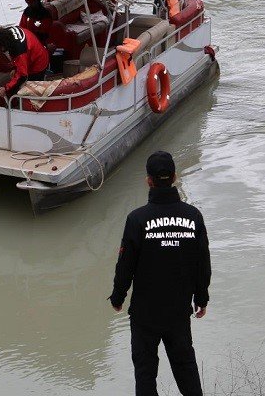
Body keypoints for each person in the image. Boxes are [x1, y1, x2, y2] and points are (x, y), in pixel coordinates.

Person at [109, 151, 211, 396]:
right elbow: (202, 261)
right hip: (178, 312)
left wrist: (118, 297)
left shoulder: (137, 219)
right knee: (185, 367)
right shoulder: (193, 216)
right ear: (174, 177)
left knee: (145, 374)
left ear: (148, 180)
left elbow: (126, 264)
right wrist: (201, 298)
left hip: (145, 315)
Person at [0, 25, 49, 101]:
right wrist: (15, 68)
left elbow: (22, 75)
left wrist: (6, 88)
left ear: (4, 44)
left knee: (34, 90)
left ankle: (34, 106)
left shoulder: (19, 50)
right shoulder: (7, 33)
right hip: (32, 54)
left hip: (38, 63)